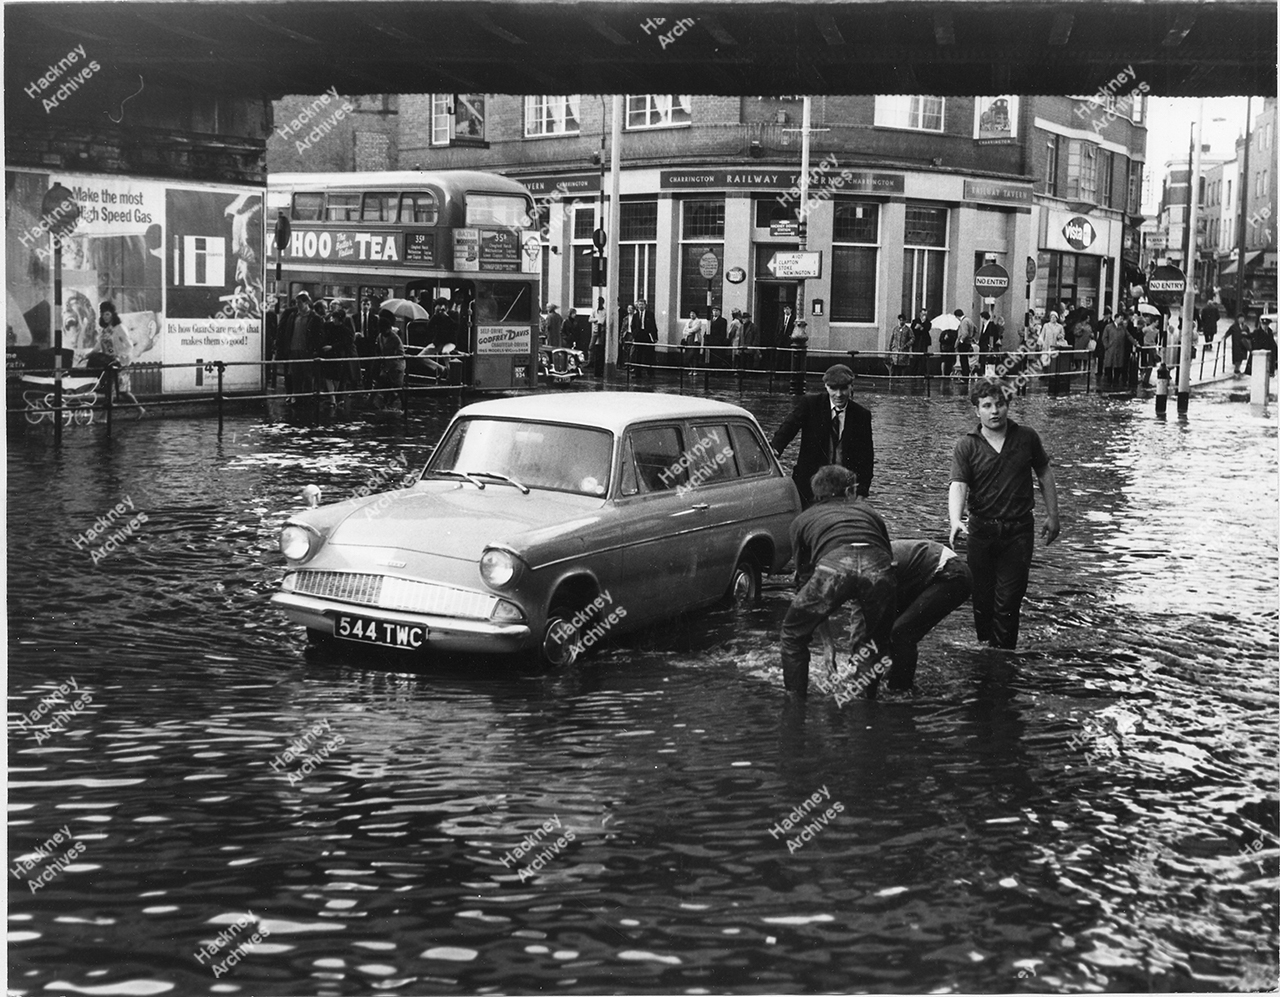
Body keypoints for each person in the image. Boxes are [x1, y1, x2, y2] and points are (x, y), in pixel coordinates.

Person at [949, 379, 1060, 650]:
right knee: (982, 601)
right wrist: (954, 520)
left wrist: (1053, 515)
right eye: (986, 406)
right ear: (977, 410)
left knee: (1009, 601)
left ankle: (1003, 660)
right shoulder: (967, 446)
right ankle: (987, 650)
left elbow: (1044, 472)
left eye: (1000, 404)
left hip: (1018, 531)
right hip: (981, 532)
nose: (994, 411)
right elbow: (958, 484)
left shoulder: (1026, 437)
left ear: (1008, 405)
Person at [779, 465, 896, 699]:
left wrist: (827, 644)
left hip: (834, 566)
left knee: (793, 635)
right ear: (849, 491)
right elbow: (888, 556)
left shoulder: (802, 520)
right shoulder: (869, 512)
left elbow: (804, 580)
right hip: (878, 567)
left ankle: (795, 706)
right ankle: (866, 706)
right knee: (874, 644)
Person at [770, 363, 874, 508]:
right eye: (833, 389)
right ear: (826, 386)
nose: (839, 395)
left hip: (843, 488)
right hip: (810, 484)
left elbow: (866, 458)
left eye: (844, 388)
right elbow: (788, 427)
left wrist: (862, 493)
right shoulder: (810, 404)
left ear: (851, 387)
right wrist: (775, 448)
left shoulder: (861, 415)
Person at [884, 539, 973, 692]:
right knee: (892, 630)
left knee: (901, 633)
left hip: (952, 573)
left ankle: (899, 693)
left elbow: (862, 624)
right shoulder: (861, 566)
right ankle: (891, 679)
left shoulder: (870, 571)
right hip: (931, 573)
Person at [97, 301, 144, 414]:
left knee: (117, 390)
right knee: (117, 390)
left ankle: (105, 417)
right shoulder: (105, 330)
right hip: (109, 362)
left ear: (113, 314)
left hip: (120, 363)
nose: (105, 317)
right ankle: (140, 409)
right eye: (103, 314)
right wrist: (90, 354)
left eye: (107, 314)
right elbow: (99, 345)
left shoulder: (120, 328)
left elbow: (129, 345)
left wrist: (119, 356)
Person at [278, 291, 322, 401]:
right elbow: (288, 332)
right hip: (293, 350)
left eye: (299, 303)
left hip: (306, 350)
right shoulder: (293, 316)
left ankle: (306, 398)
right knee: (295, 375)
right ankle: (296, 397)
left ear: (306, 303)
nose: (297, 305)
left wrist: (314, 349)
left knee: (307, 376)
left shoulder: (315, 318)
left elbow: (319, 336)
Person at [375, 313, 406, 409]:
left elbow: (400, 354)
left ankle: (404, 407)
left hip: (396, 366)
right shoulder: (380, 336)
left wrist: (390, 365)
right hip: (387, 365)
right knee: (385, 384)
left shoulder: (395, 338)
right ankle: (386, 404)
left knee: (398, 386)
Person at [630, 299, 658, 377]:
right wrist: (635, 334)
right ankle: (638, 373)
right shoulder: (635, 315)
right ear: (637, 305)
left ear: (645, 305)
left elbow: (653, 325)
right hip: (639, 335)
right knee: (638, 354)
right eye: (639, 304)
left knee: (648, 354)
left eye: (642, 304)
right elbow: (632, 325)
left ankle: (650, 373)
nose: (641, 306)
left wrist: (655, 337)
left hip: (647, 335)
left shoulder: (650, 314)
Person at [1102, 312, 1126, 386]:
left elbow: (1128, 335)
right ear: (1116, 318)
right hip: (1110, 349)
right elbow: (1104, 337)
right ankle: (1109, 380)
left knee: (1118, 365)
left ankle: (1116, 380)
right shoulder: (1108, 327)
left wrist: (1135, 343)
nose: (1121, 320)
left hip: (1119, 349)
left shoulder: (1122, 328)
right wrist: (1107, 346)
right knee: (1109, 364)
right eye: (1120, 318)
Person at [954, 309, 976, 380]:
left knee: (963, 360)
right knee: (965, 360)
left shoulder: (963, 322)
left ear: (957, 316)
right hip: (968, 342)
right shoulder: (969, 320)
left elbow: (965, 333)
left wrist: (961, 341)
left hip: (964, 343)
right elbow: (976, 329)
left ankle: (964, 377)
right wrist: (972, 337)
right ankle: (966, 375)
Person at [888, 313, 912, 378]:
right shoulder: (895, 329)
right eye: (900, 320)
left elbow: (912, 338)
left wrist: (907, 345)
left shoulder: (908, 329)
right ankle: (894, 379)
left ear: (905, 321)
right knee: (894, 366)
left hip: (903, 351)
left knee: (903, 367)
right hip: (895, 351)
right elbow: (892, 338)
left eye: (902, 320)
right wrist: (890, 348)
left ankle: (902, 379)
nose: (901, 322)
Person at [590, 296, 607, 375]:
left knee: (600, 347)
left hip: (601, 331)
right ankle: (591, 361)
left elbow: (602, 321)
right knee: (591, 347)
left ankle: (599, 363)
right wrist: (596, 320)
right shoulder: (594, 311)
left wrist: (597, 321)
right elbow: (590, 319)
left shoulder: (605, 311)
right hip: (595, 331)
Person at [938, 314, 958, 378]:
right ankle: (946, 373)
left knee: (946, 360)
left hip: (946, 348)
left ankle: (945, 373)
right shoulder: (947, 332)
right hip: (948, 348)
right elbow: (941, 340)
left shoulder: (946, 332)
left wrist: (945, 339)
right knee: (948, 361)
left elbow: (940, 340)